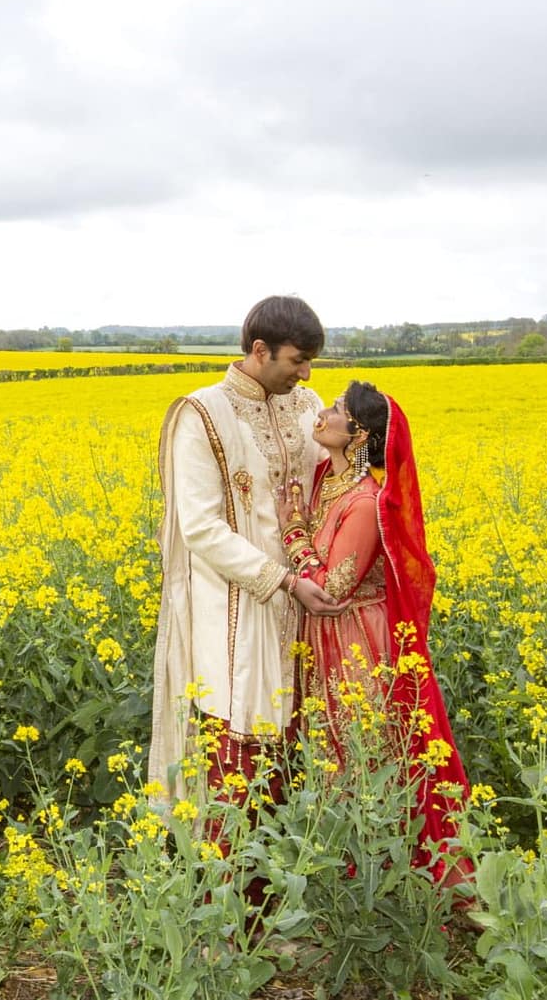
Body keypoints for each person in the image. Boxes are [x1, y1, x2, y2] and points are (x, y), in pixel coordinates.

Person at [149, 296, 350, 864]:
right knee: (237, 748)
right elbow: (200, 526)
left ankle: (285, 902)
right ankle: (228, 916)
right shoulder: (201, 414)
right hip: (237, 608)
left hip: (307, 606)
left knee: (298, 749)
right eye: (297, 360)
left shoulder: (305, 403)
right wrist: (281, 581)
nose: (307, 374)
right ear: (258, 351)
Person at [274, 380, 474, 887]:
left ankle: (383, 879)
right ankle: (342, 876)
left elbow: (330, 587)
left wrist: (292, 527)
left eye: (337, 409)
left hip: (358, 639)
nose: (323, 411)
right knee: (329, 752)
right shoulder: (327, 480)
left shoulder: (364, 502)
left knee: (362, 752)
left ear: (358, 433)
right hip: (326, 638)